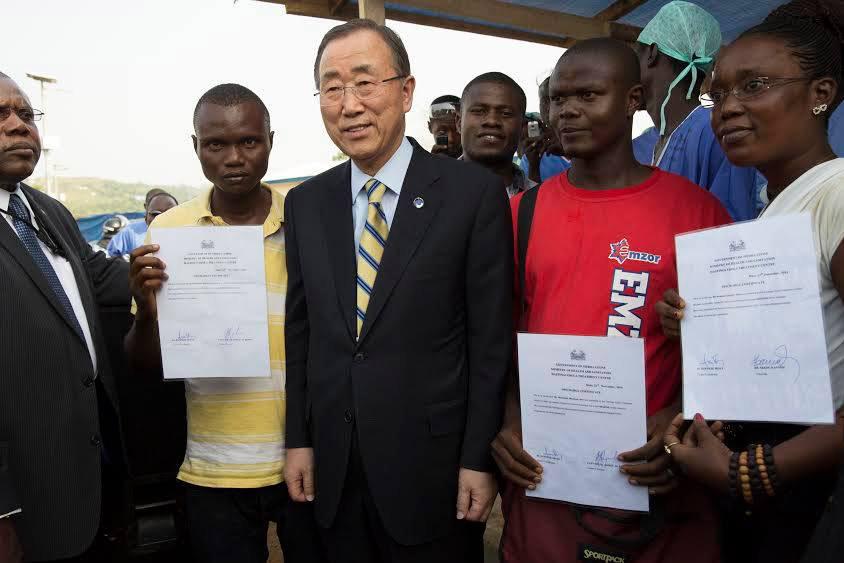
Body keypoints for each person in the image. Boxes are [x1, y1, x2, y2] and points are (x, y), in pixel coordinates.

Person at [492, 39, 731, 563]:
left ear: (633, 99)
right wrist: (507, 418)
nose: (567, 111)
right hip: (545, 483)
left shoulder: (696, 212)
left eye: (588, 95)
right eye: (558, 98)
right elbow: (499, 337)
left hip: (654, 490)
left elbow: (729, 350)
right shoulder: (520, 214)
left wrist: (680, 415)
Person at [284, 18, 512, 563]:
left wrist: (478, 458)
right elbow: (301, 333)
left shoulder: (471, 194)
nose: (349, 105)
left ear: (406, 91)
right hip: (334, 469)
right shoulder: (306, 204)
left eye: (366, 83)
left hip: (433, 471)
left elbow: (490, 341)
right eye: (332, 88)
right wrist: (299, 438)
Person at [656, 2, 844, 561]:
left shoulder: (836, 194)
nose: (728, 109)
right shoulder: (778, 210)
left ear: (821, 94)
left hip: (812, 488)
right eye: (717, 95)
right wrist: (703, 326)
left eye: (754, 86)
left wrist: (756, 469)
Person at [124, 83, 325, 563]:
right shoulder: (168, 231)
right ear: (196, 146)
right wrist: (147, 314)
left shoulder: (309, 221)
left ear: (271, 141)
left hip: (308, 455)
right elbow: (145, 365)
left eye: (249, 141)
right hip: (214, 467)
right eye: (216, 144)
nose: (234, 158)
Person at [0, 72, 129, 562]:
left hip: (89, 483)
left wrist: (204, 263)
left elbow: (100, 277)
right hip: (21, 505)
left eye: (26, 114)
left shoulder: (48, 211)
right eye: (0, 115)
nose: (18, 126)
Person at [632, 1, 761, 221]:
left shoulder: (717, 132)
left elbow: (731, 228)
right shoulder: (659, 139)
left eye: (635, 56)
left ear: (652, 53)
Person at [458, 72, 535, 197]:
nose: (492, 121)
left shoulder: (544, 199)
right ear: (458, 122)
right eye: (479, 111)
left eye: (506, 113)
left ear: (522, 126)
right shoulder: (428, 194)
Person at [521, 77, 570, 183]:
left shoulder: (591, 145)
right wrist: (534, 166)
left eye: (557, 99)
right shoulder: (532, 154)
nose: (548, 108)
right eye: (544, 101)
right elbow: (530, 193)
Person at [106, 188, 168, 257]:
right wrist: (130, 263)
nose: (158, 208)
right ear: (146, 206)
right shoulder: (129, 231)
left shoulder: (175, 230)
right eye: (153, 203)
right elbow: (113, 253)